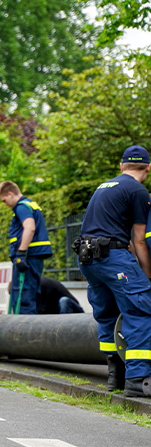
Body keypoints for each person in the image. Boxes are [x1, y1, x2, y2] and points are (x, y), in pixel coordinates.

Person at [75, 145, 151, 396]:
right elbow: (139, 240)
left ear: (121, 166)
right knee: (140, 310)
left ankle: (114, 376)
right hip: (113, 257)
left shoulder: (103, 187)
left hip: (87, 257)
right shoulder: (138, 191)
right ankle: (138, 380)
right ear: (148, 168)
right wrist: (147, 275)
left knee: (107, 315)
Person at [0, 181, 53, 314]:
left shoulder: (22, 207)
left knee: (23, 296)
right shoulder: (30, 204)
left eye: (4, 200)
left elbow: (30, 227)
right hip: (34, 256)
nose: (5, 204)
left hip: (28, 256)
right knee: (31, 294)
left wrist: (21, 253)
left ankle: (23, 330)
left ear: (10, 194)